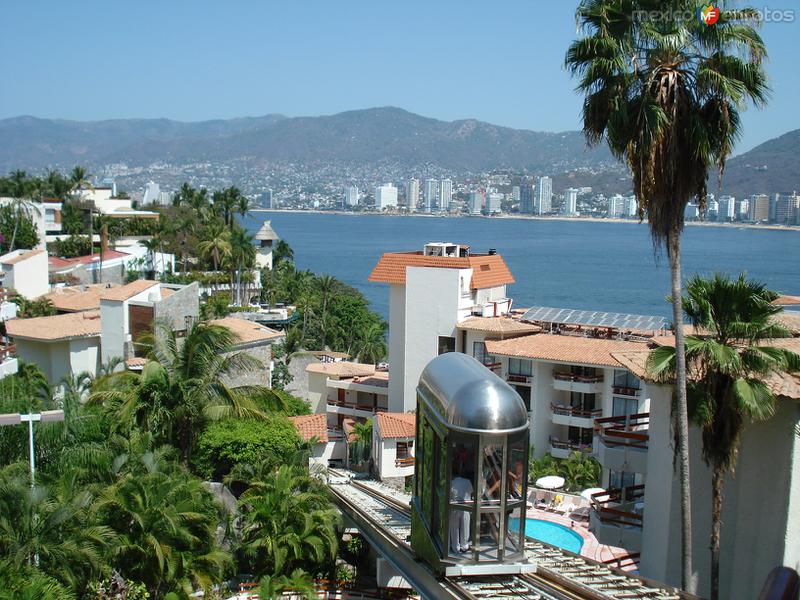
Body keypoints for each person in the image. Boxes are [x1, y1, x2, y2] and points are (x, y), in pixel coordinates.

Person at [449, 465, 473, 554]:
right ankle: (464, 545)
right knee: (465, 526)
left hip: (454, 506)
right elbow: (471, 491)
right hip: (466, 505)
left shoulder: (451, 482)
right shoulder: (467, 482)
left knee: (454, 527)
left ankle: (455, 546)